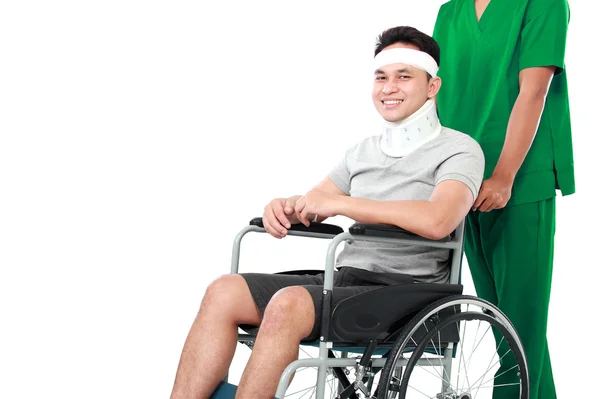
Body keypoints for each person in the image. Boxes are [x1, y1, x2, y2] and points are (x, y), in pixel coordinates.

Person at [169, 26, 484, 399]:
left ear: (432, 86)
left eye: (404, 76)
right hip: (348, 279)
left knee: (288, 304)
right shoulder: (363, 151)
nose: (389, 88)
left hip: (408, 292)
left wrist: (343, 204)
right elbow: (318, 200)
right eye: (381, 77)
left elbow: (439, 220)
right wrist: (287, 207)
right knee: (224, 291)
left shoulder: (460, 150)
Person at [433, 1, 575, 398]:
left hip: (518, 178)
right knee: (506, 327)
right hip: (460, 177)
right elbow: (435, 95)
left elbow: (534, 91)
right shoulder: (451, 12)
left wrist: (505, 175)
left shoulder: (542, 5)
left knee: (520, 325)